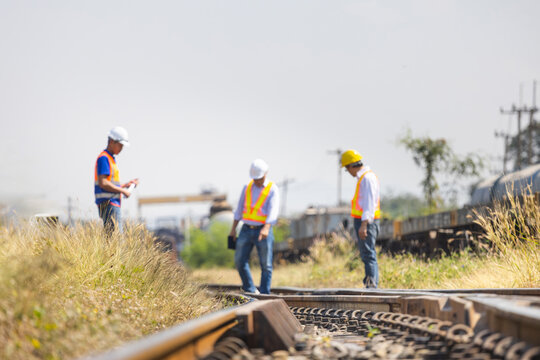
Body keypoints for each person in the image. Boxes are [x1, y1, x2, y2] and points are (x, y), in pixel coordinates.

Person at [229, 159, 280, 294]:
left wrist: (267, 228)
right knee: (240, 261)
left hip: (263, 229)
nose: (257, 181)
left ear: (266, 174)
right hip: (246, 229)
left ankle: (264, 294)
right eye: (255, 178)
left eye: (260, 178)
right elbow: (239, 209)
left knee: (266, 265)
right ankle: (251, 290)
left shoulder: (272, 189)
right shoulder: (247, 187)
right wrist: (233, 229)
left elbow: (273, 211)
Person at [341, 149, 381, 288]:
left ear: (352, 165)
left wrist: (364, 224)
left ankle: (371, 286)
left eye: (347, 169)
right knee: (366, 254)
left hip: (367, 222)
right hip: (364, 221)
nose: (349, 172)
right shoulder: (363, 178)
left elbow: (369, 204)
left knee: (368, 254)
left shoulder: (367, 178)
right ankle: (370, 284)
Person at [94, 126, 139, 234]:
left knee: (114, 239)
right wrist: (123, 191)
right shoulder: (104, 158)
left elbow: (109, 183)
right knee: (116, 240)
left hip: (112, 204)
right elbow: (103, 183)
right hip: (109, 204)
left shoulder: (109, 158)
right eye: (120, 145)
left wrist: (125, 186)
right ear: (112, 142)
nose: (121, 148)